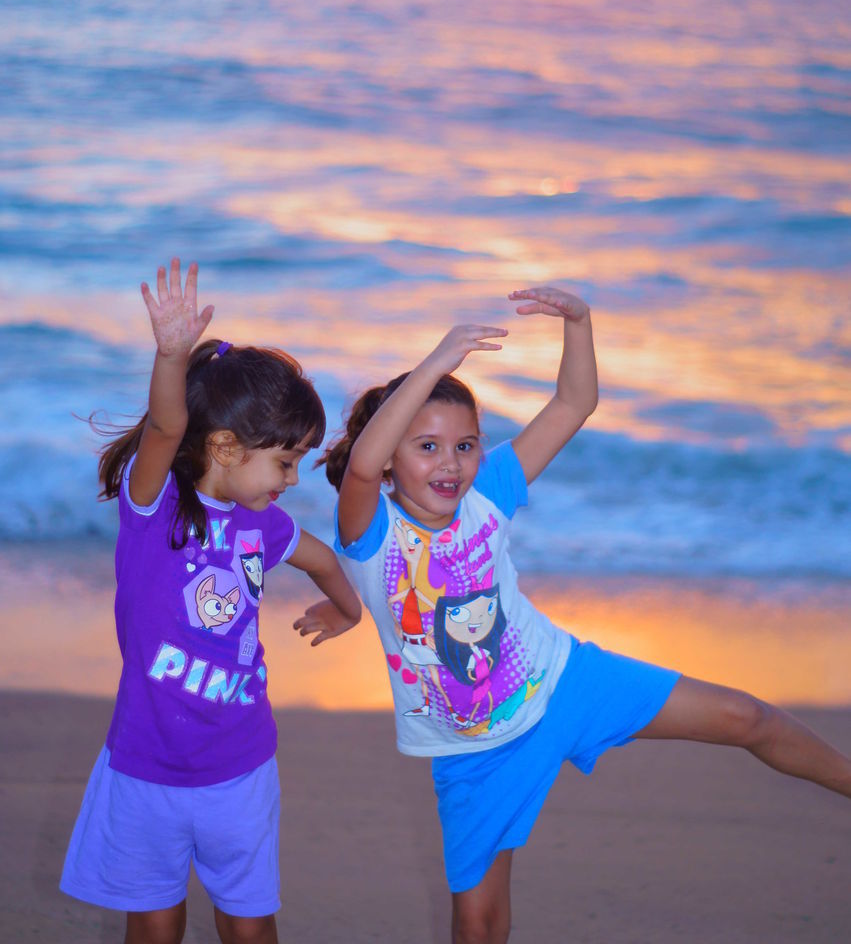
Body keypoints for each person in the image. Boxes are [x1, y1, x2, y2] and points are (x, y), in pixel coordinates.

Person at [324, 284, 851, 944]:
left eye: (465, 444)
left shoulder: (488, 490)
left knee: (746, 716)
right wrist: (435, 363)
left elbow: (574, 404)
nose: (451, 463)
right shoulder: (370, 535)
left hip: (565, 680)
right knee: (479, 925)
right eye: (425, 446)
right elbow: (362, 468)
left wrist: (579, 322)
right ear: (391, 456)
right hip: (475, 752)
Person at [61, 259, 361, 944]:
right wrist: (170, 356)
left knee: (250, 927)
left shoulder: (265, 526)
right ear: (225, 447)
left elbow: (320, 559)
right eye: (285, 461)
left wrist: (347, 607)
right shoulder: (155, 509)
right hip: (144, 766)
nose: (291, 478)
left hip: (241, 766)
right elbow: (166, 429)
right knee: (156, 927)